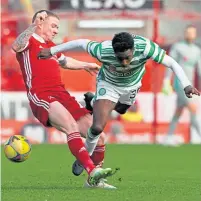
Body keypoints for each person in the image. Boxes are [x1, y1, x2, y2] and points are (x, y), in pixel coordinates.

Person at [38, 31, 200, 174]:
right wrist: (52, 50)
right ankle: (84, 159)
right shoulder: (103, 50)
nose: (124, 63)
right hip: (108, 85)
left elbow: (171, 63)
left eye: (127, 58)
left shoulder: (146, 47)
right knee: (97, 127)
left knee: (121, 110)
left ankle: (92, 101)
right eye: (120, 58)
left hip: (131, 87)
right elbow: (80, 42)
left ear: (134, 50)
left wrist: (186, 84)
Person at [11, 9, 116, 189]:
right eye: (53, 25)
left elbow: (65, 61)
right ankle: (92, 171)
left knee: (99, 136)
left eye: (57, 27)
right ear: (41, 22)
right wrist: (33, 25)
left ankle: (93, 181)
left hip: (62, 94)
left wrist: (85, 65)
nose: (56, 30)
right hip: (41, 94)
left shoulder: (51, 47)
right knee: (71, 126)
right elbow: (16, 45)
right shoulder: (28, 41)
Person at [162, 25, 201, 146]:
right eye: (188, 32)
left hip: (191, 85)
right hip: (180, 84)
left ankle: (168, 137)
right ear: (185, 33)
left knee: (178, 111)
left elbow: (199, 69)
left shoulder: (197, 50)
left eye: (192, 33)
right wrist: (166, 80)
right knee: (193, 109)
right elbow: (170, 64)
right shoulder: (178, 47)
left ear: (195, 35)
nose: (190, 35)